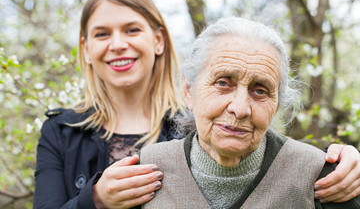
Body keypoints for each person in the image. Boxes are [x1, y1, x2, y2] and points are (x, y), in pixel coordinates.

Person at [33, 0, 360, 209]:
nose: (118, 44)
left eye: (132, 29)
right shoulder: (62, 131)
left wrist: (341, 161)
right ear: (86, 49)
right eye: (102, 34)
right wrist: (96, 200)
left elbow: (271, 159)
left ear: (159, 40)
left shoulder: (198, 118)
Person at [139, 16, 360, 208]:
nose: (240, 108)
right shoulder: (142, 176)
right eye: (223, 83)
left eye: (260, 91)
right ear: (188, 90)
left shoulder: (324, 178)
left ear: (277, 106)